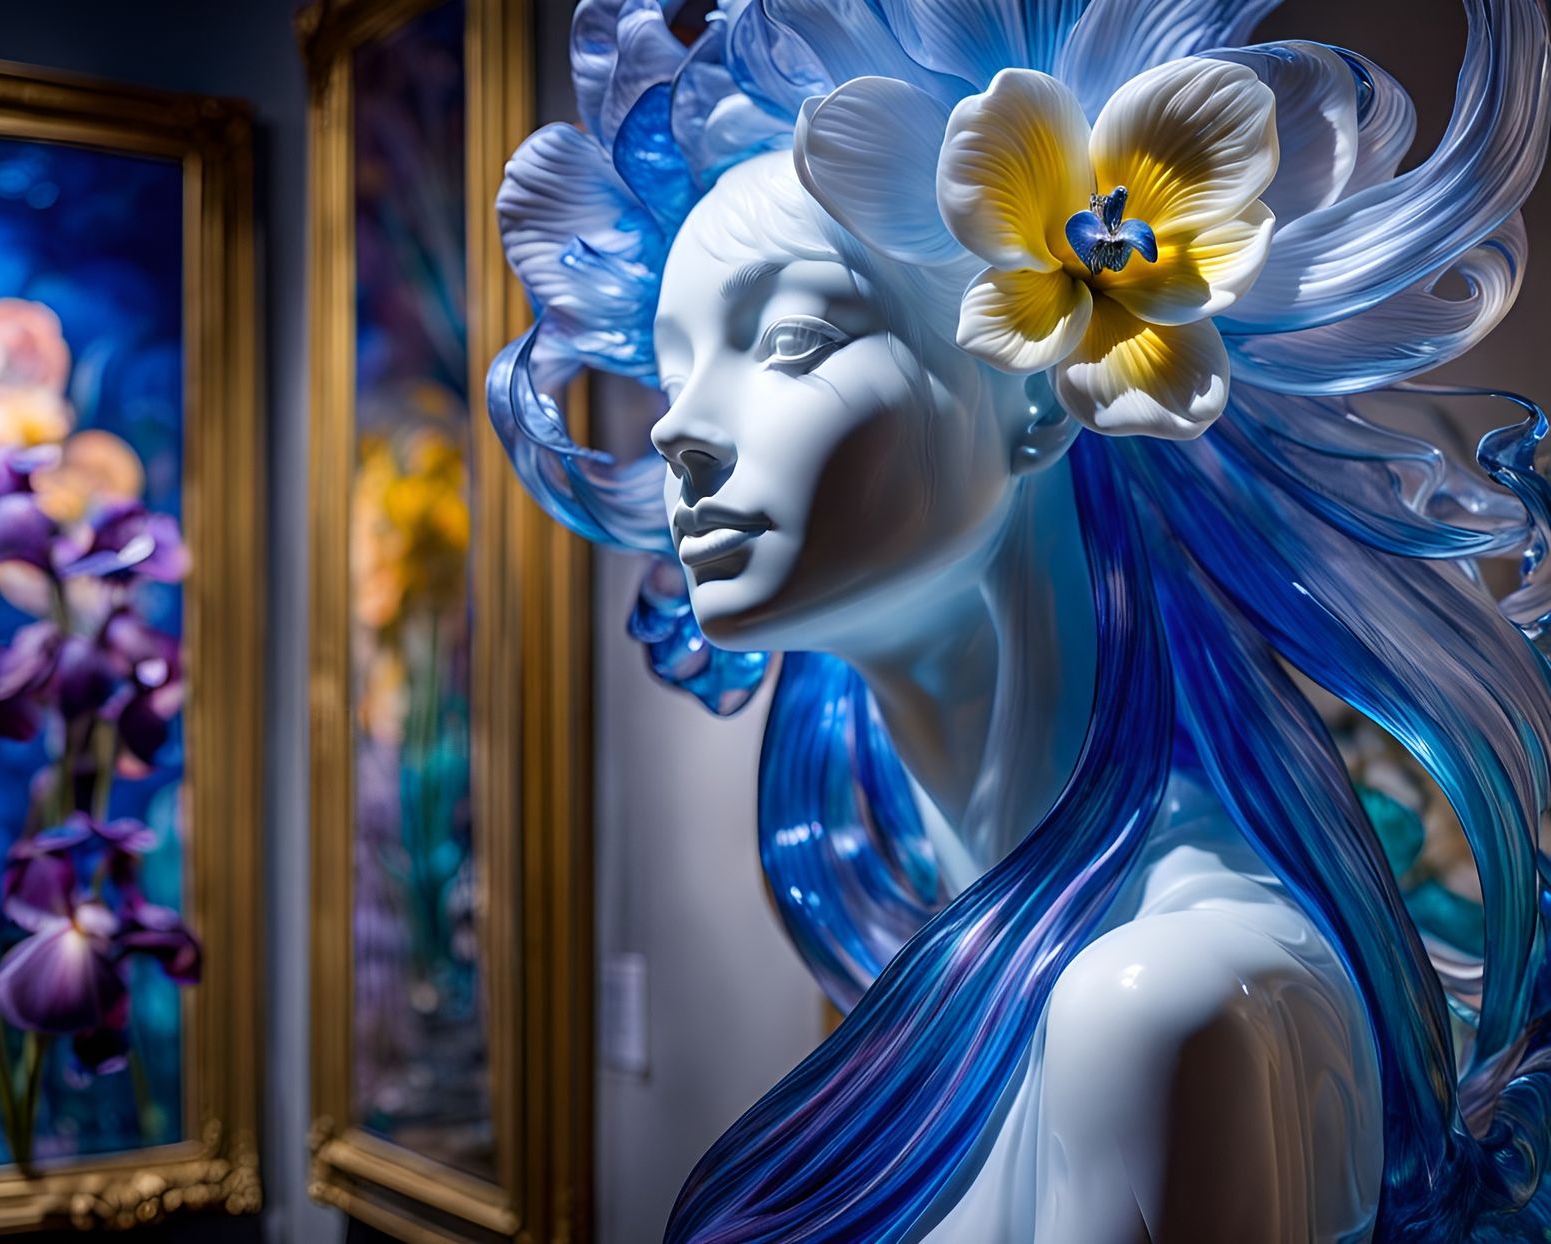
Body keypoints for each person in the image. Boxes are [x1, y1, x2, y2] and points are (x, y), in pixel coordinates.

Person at [489, 1, 1551, 1238]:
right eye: (672, 374)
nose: (676, 427)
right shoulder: (966, 940)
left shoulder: (1156, 1011)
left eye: (788, 338)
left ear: (1042, 398)